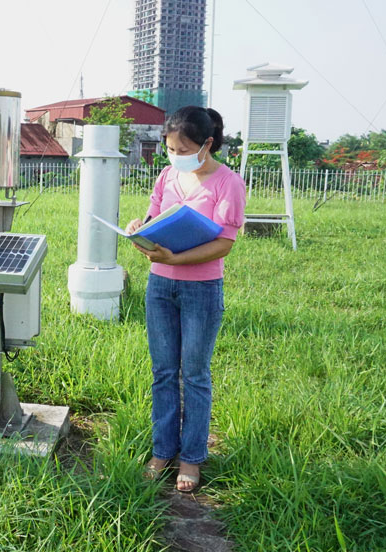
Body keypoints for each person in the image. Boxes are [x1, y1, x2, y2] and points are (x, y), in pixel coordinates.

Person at [126, 106, 246, 493]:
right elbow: (153, 219)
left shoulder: (228, 183)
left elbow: (223, 243)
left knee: (194, 375)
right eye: (170, 148)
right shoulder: (167, 176)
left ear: (207, 144)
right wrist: (138, 229)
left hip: (201, 291)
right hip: (159, 287)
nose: (175, 155)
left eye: (183, 148)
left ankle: (192, 457)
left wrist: (176, 257)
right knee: (163, 373)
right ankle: (163, 451)